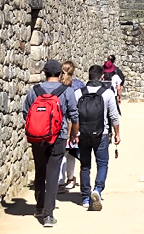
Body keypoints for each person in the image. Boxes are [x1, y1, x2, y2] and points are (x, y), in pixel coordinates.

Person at [22, 59, 78, 228]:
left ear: (44, 73)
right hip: (58, 137)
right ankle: (48, 215)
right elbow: (74, 115)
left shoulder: (34, 90)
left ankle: (39, 207)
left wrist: (38, 128)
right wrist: (73, 134)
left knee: (40, 170)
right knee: (53, 173)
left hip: (37, 138)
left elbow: (26, 113)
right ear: (60, 73)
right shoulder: (67, 91)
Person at [76, 64, 121, 211]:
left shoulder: (78, 93)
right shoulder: (107, 93)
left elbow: (73, 116)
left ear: (89, 76)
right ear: (102, 77)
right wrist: (117, 134)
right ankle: (97, 189)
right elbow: (114, 116)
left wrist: (74, 134)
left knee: (85, 166)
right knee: (102, 164)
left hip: (83, 134)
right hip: (101, 134)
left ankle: (85, 197)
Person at [58, 61, 85, 192]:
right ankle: (70, 179)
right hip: (73, 124)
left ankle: (60, 181)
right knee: (71, 153)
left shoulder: (55, 86)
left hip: (58, 125)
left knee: (60, 154)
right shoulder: (79, 86)